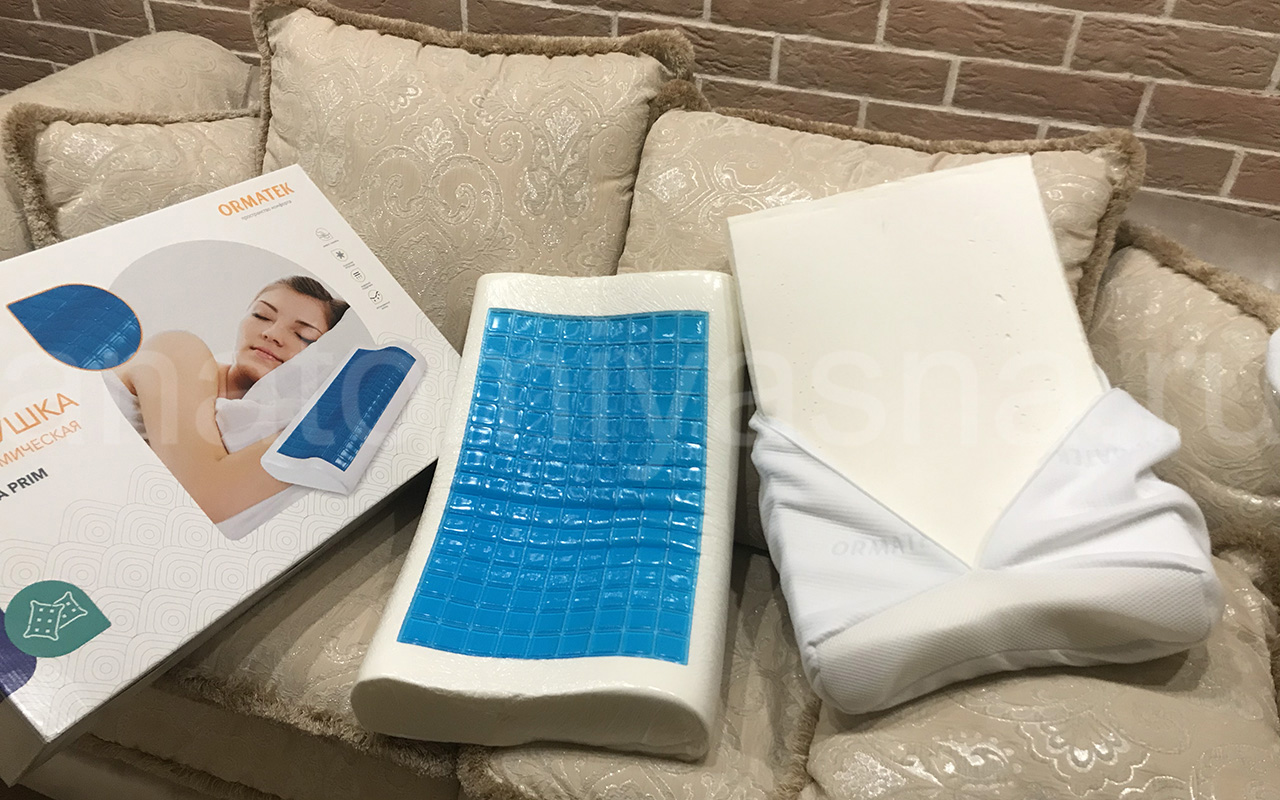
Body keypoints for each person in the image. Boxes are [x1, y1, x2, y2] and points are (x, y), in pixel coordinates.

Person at [109, 276, 349, 524]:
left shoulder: (256, 425)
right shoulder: (180, 350)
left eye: (303, 335)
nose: (271, 333)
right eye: (261, 316)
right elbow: (204, 495)